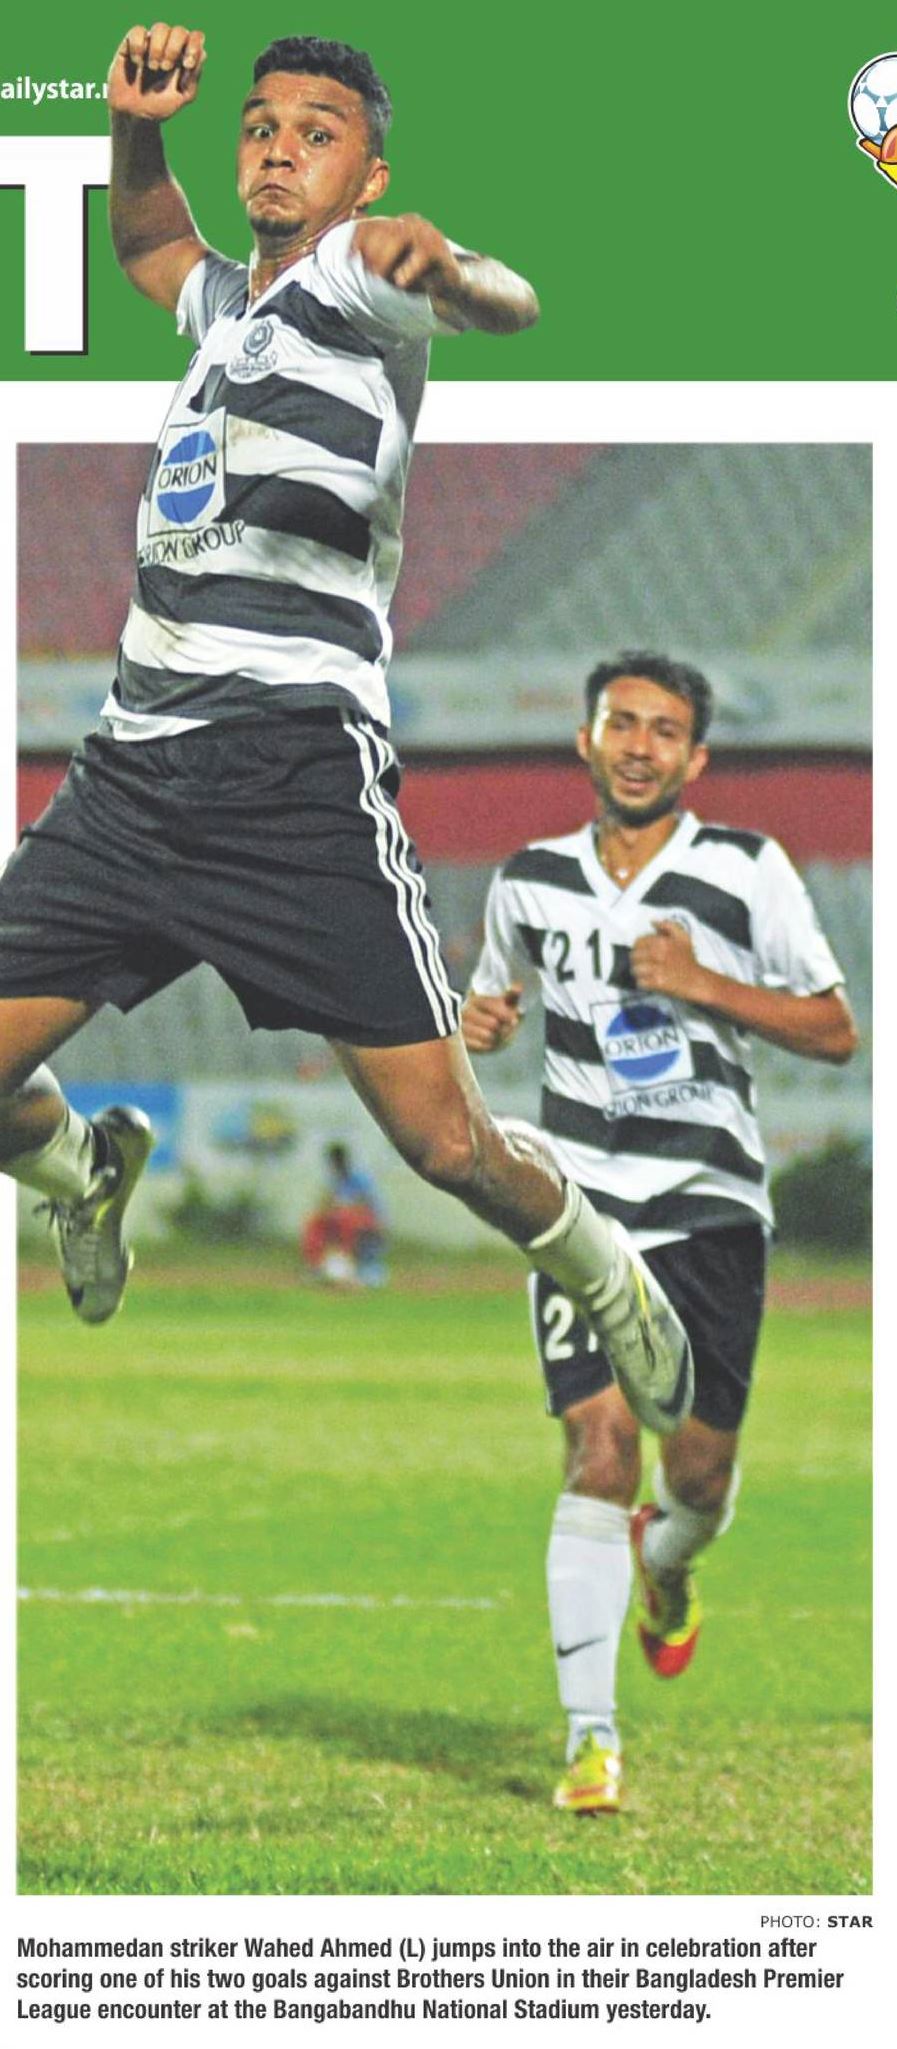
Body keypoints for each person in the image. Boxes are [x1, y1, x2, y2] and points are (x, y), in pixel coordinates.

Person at [0, 31, 693, 1440]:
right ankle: (83, 1173)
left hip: (294, 778)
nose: (276, 147)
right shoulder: (222, 306)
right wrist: (136, 130)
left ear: (368, 174)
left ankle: (604, 1269)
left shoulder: (362, 278)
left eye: (315, 133)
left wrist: (454, 272)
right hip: (129, 775)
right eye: (259, 126)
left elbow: (504, 299)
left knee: (446, 1142)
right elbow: (148, 239)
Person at [462, 651, 858, 1815]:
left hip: (708, 1201)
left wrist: (703, 984)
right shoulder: (528, 881)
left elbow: (835, 1029)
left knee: (699, 1477)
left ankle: (666, 1566)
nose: (640, 745)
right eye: (622, 723)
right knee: (599, 1447)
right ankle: (591, 1743)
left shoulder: (746, 869)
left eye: (664, 730)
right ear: (586, 740)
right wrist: (480, 1022)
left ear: (696, 758)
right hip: (578, 1199)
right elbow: (492, 998)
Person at [301, 1141, 387, 1286]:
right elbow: (325, 1203)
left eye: (337, 1162)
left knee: (347, 1218)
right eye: (333, 1163)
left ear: (344, 1161)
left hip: (366, 1220)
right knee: (314, 1220)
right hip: (341, 1220)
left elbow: (368, 1204)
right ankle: (316, 1265)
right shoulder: (334, 1180)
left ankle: (358, 1267)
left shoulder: (361, 1179)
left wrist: (342, 1206)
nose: (335, 1166)